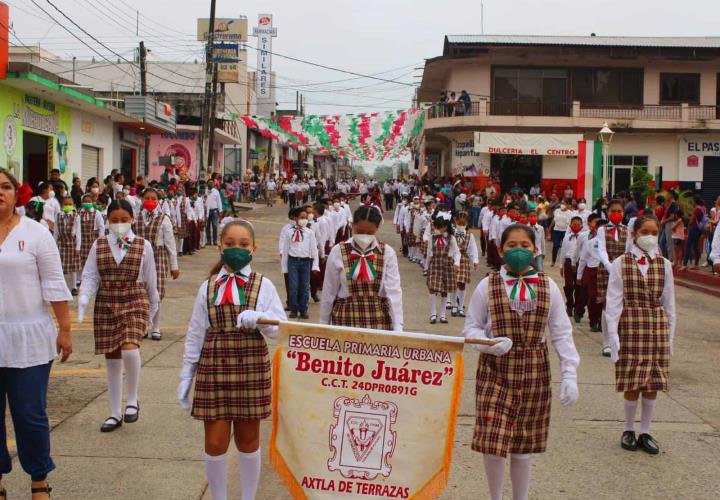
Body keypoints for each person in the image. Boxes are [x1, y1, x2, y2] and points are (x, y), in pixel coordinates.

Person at [463, 223, 579, 500]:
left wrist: (570, 373)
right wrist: (490, 345)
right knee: (493, 439)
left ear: (536, 249)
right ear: (501, 250)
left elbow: (561, 332)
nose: (518, 251)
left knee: (523, 442)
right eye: (512, 246)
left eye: (525, 246)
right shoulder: (487, 286)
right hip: (495, 373)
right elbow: (470, 329)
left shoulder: (548, 287)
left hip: (533, 371)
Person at [177, 220, 285, 500]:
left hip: (250, 367)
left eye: (243, 245)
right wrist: (187, 374)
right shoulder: (208, 287)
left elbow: (281, 329)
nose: (236, 249)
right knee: (215, 442)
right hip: (214, 366)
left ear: (254, 249)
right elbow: (195, 331)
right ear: (219, 246)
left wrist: (260, 320)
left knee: (248, 440)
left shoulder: (264, 285)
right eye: (230, 244)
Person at [0, 168, 73, 500]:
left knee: (29, 414)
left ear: (18, 194)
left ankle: (39, 478)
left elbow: (55, 283)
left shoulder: (36, 233)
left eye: (5, 187)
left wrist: (66, 329)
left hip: (28, 339)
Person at [79, 200, 159, 433]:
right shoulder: (99, 244)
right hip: (107, 300)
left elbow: (151, 281)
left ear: (132, 219)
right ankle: (114, 412)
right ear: (107, 220)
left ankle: (132, 399)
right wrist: (84, 296)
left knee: (129, 347)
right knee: (112, 356)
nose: (119, 224)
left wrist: (152, 313)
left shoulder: (144, 246)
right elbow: (91, 275)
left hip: (134, 298)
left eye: (124, 219)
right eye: (114, 220)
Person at [605, 216, 675, 454]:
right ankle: (628, 429)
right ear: (634, 233)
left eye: (654, 232)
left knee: (653, 381)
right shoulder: (620, 263)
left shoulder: (664, 264)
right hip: (632, 324)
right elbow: (613, 303)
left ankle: (645, 431)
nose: (650, 236)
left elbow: (670, 304)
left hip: (656, 326)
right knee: (633, 380)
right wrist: (613, 337)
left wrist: (671, 339)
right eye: (645, 231)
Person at [320, 205, 402, 331]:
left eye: (370, 233)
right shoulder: (338, 251)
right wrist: (323, 323)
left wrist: (398, 326)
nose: (364, 236)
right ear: (352, 225)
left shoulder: (387, 253)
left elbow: (394, 292)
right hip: (345, 320)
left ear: (377, 228)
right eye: (360, 231)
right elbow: (329, 290)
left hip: (378, 321)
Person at [135, 189, 180, 340]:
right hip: (140, 258)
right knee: (141, 293)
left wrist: (174, 266)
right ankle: (144, 325)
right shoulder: (136, 218)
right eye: (147, 198)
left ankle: (156, 326)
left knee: (156, 293)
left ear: (158, 201)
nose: (150, 201)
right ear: (141, 199)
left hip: (158, 258)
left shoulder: (164, 219)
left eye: (153, 198)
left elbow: (170, 243)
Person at [597, 199, 628, 356]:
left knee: (621, 304)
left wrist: (622, 267)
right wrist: (610, 266)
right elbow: (601, 250)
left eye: (619, 211)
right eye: (613, 211)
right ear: (607, 213)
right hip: (606, 270)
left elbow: (628, 250)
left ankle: (618, 338)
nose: (616, 214)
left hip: (623, 270)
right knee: (606, 305)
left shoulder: (628, 230)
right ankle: (606, 342)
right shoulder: (602, 229)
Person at [281, 207, 320, 319]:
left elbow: (314, 250)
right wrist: (284, 267)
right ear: (296, 218)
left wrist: (315, 265)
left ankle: (303, 309)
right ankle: (294, 308)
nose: (304, 220)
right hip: (293, 261)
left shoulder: (310, 233)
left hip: (305, 262)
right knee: (293, 286)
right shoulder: (289, 232)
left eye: (305, 218)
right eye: (302, 217)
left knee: (304, 286)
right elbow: (285, 251)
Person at [425, 215, 461, 324]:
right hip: (435, 264)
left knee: (444, 290)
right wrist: (426, 267)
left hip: (447, 265)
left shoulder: (451, 238)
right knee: (432, 288)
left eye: (439, 227)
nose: (436, 229)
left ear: (445, 227)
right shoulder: (432, 237)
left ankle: (443, 315)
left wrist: (456, 263)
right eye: (436, 226)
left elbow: (457, 252)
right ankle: (433, 313)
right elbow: (429, 253)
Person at [577, 215, 605, 333]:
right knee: (593, 297)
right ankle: (593, 321)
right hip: (593, 271)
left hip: (607, 272)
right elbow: (583, 259)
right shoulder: (590, 243)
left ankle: (602, 321)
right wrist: (579, 276)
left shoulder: (612, 242)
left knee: (606, 299)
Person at [452, 212, 479, 317]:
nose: (461, 225)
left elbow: (473, 248)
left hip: (464, 259)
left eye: (463, 223)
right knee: (454, 283)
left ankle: (461, 306)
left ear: (467, 223)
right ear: (455, 222)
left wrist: (475, 260)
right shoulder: (452, 234)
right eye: (459, 223)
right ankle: (454, 305)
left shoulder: (469, 235)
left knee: (462, 283)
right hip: (453, 260)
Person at [54, 196, 81, 295]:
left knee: (73, 267)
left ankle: (74, 287)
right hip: (61, 243)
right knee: (60, 266)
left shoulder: (76, 216)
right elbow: (56, 232)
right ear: (62, 205)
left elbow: (78, 233)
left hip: (72, 243)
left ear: (73, 205)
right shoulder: (58, 216)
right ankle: (62, 286)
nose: (68, 206)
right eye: (66, 204)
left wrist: (78, 247)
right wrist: (54, 245)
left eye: (70, 204)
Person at [558, 217, 584, 320]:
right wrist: (561, 265)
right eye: (574, 224)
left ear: (582, 226)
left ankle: (577, 309)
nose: (576, 226)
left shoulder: (584, 237)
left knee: (579, 286)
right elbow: (563, 252)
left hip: (580, 263)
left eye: (578, 225)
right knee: (568, 285)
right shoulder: (567, 237)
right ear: (570, 225)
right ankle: (569, 303)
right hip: (568, 263)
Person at [680, 197, 706, 271]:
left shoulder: (696, 209)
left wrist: (688, 226)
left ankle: (684, 264)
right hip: (699, 229)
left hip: (694, 228)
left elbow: (692, 220)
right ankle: (696, 264)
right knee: (696, 246)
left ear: (695, 202)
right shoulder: (703, 208)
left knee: (688, 245)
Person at [550, 202, 571, 266]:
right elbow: (554, 220)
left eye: (564, 204)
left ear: (567, 205)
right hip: (556, 230)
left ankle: (565, 261)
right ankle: (553, 261)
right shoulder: (557, 211)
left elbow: (570, 223)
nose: (563, 205)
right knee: (555, 246)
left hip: (565, 231)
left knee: (565, 246)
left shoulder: (569, 212)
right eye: (562, 203)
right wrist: (550, 227)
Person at [205, 181, 223, 246]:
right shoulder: (206, 191)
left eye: (211, 184)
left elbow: (219, 201)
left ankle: (215, 240)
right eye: (208, 184)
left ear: (213, 185)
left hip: (214, 210)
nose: (210, 185)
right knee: (207, 226)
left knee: (215, 226)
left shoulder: (216, 192)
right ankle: (208, 240)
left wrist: (220, 211)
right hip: (207, 210)